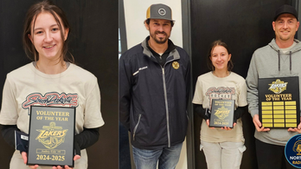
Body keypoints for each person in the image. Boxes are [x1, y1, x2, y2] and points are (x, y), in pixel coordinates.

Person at [0, 0, 104, 169]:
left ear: (65, 32)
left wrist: (71, 146)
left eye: (54, 29)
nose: (48, 38)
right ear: (31, 38)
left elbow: (93, 132)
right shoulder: (14, 79)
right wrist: (25, 146)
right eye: (39, 32)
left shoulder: (87, 80)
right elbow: (7, 127)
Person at [119, 3, 191, 169]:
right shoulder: (130, 59)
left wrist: (181, 122)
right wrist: (137, 128)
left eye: (165, 24)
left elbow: (185, 93)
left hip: (175, 139)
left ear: (171, 27)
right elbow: (122, 99)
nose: (161, 29)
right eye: (156, 23)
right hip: (145, 142)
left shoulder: (182, 57)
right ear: (147, 25)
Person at [246, 4, 301, 169]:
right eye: (280, 22)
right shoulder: (259, 55)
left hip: (297, 139)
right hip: (266, 138)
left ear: (297, 25)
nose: (285, 26)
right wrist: (254, 113)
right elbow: (251, 89)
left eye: (290, 21)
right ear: (273, 26)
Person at [192, 40, 247, 169]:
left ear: (229, 57)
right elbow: (197, 106)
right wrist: (208, 117)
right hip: (209, 138)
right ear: (210, 58)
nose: (219, 59)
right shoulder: (202, 80)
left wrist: (232, 118)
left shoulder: (239, 81)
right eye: (215, 55)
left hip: (233, 138)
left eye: (222, 54)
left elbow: (243, 107)